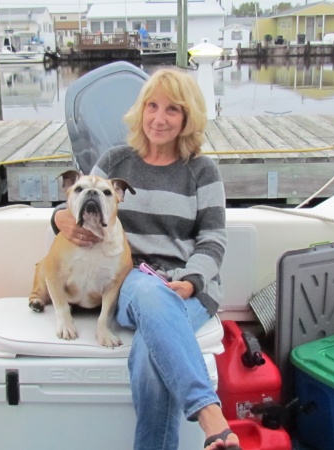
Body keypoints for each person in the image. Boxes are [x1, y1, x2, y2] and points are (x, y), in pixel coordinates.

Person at [52, 68, 240, 450]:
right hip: (133, 279)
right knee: (151, 293)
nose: (159, 118)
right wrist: (55, 218)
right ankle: (211, 416)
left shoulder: (202, 171)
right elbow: (82, 199)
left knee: (150, 359)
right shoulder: (116, 160)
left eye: (173, 109)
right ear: (140, 111)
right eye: (152, 106)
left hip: (190, 286)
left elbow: (214, 238)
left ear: (188, 118)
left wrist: (192, 281)